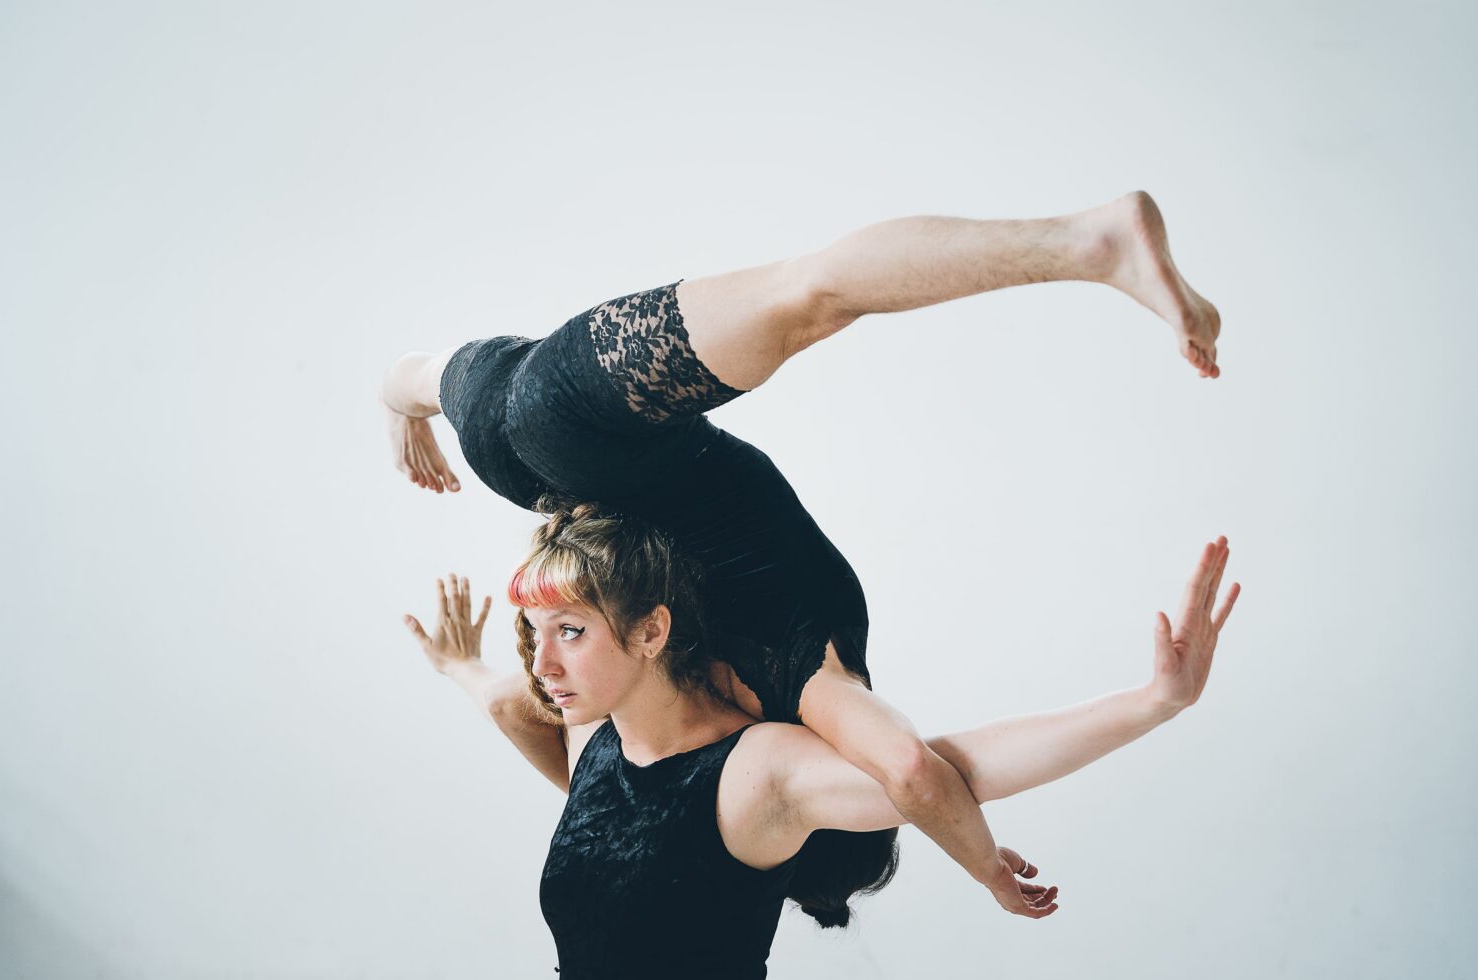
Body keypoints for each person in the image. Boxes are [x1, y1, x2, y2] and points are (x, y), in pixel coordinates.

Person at [380, 191, 1224, 917]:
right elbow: (914, 769)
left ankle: (400, 391)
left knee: (802, 297)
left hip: (552, 472)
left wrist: (461, 667)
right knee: (808, 295)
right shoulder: (799, 686)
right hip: (587, 444)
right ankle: (1094, 240)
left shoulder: (671, 725)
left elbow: (514, 704)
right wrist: (988, 868)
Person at [400, 504, 1240, 980]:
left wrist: (1151, 704)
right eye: (535, 634)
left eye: (571, 633)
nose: (544, 662)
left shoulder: (758, 774)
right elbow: (506, 700)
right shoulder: (592, 732)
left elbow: (950, 768)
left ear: (653, 630)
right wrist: (460, 666)